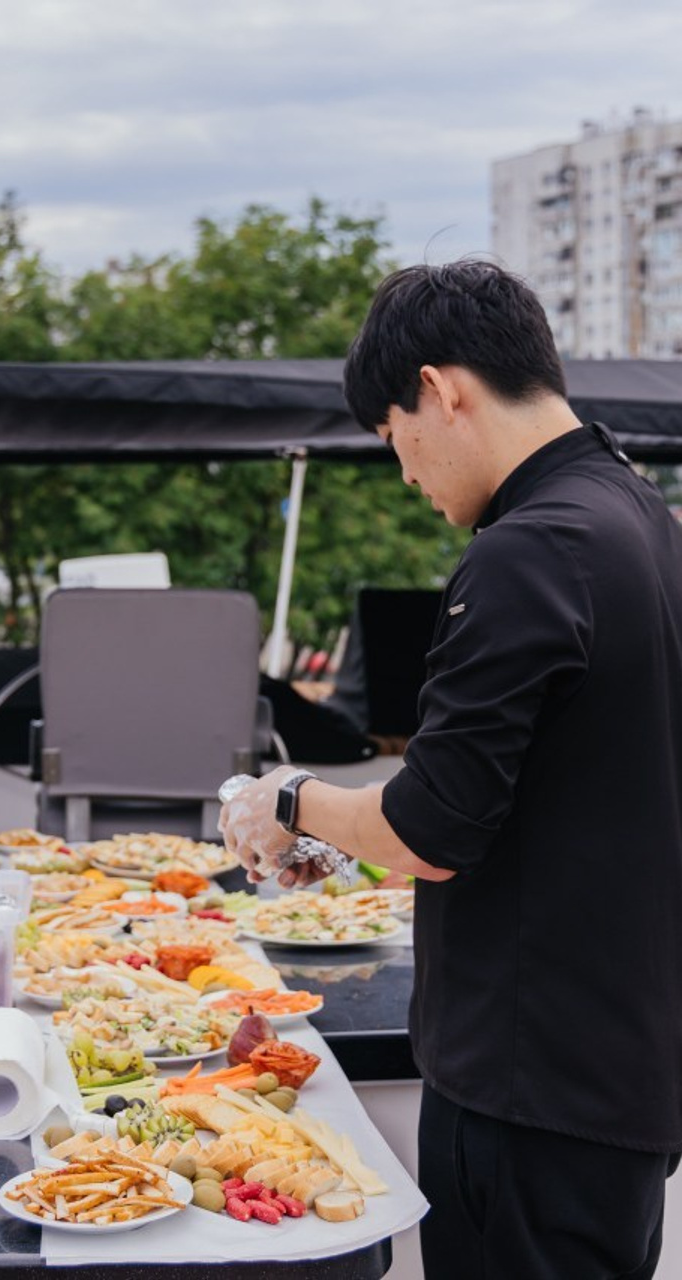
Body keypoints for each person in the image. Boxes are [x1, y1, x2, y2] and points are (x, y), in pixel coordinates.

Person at [220, 261, 682, 1279]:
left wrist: (289, 799)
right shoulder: (643, 521)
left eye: (393, 437)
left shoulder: (528, 548)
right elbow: (555, 798)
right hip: (623, 1070)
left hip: (529, 1091)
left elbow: (429, 827)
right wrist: (344, 846)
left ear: (439, 389)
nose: (404, 473)